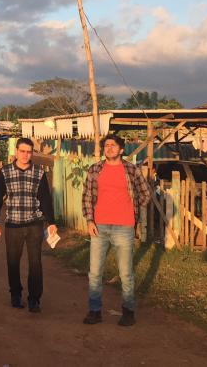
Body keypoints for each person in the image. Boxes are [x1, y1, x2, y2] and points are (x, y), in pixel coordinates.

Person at [82, 134, 151, 327]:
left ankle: (128, 312)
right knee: (95, 273)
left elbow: (146, 194)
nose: (109, 148)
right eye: (106, 145)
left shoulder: (131, 170)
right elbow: (87, 196)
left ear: (121, 150)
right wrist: (90, 220)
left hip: (124, 227)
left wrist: (131, 210)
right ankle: (95, 311)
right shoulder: (95, 169)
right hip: (99, 227)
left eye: (113, 145)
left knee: (126, 273)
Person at [0, 138, 57, 313]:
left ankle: (34, 299)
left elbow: (45, 198)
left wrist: (51, 222)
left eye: (29, 152)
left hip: (35, 224)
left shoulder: (39, 172)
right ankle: (15, 295)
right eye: (22, 151)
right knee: (13, 262)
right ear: (16, 151)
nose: (25, 155)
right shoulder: (5, 172)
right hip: (13, 225)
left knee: (35, 263)